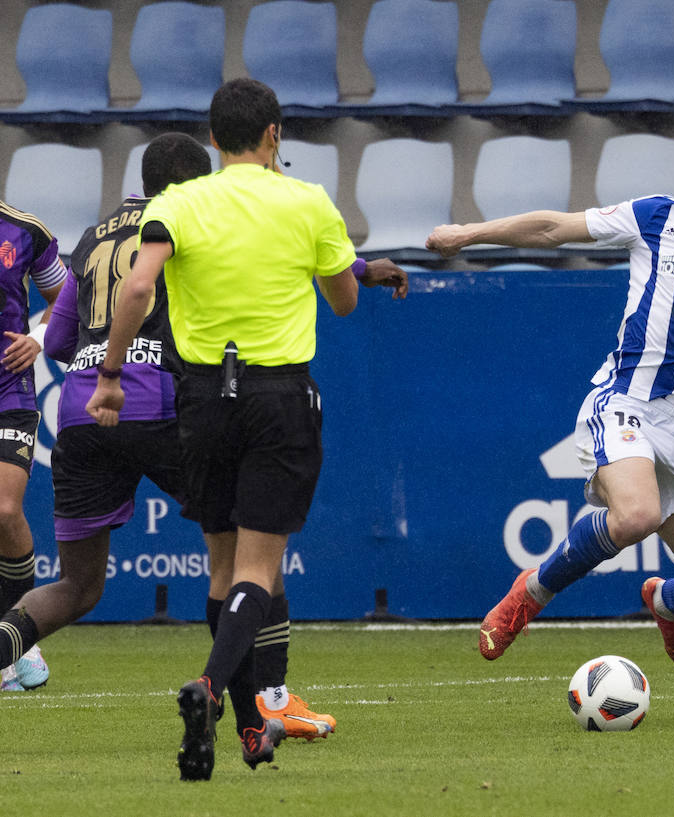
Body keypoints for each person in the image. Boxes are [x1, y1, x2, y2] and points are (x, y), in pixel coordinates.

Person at [0, 133, 406, 735]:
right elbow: (267, 246)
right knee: (255, 549)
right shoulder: (191, 213)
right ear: (194, 180)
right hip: (163, 402)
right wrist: (362, 268)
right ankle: (268, 698)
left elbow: (57, 341)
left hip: (84, 413)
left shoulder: (92, 237)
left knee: (80, 586)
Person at [85, 78, 381, 780]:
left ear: (213, 139)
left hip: (203, 398)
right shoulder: (307, 201)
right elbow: (343, 300)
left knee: (221, 569)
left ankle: (249, 726)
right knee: (258, 569)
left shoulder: (179, 201)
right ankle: (212, 688)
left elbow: (136, 288)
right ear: (274, 134)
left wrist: (110, 375)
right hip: (278, 394)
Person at [426, 130, 674, 675]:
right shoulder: (657, 217)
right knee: (637, 515)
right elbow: (557, 226)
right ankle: (530, 593)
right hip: (626, 401)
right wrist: (469, 233)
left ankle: (667, 603)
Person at [0, 196, 67, 692]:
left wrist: (40, 337)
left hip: (9, 389)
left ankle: (20, 633)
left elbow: (66, 296)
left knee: (4, 510)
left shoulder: (25, 230)